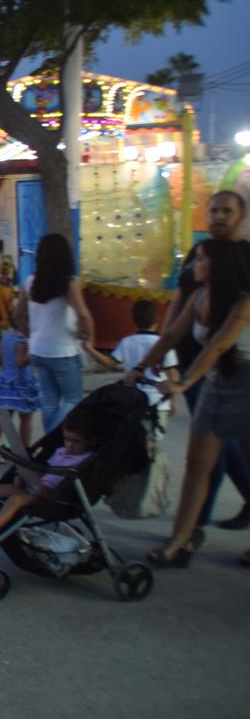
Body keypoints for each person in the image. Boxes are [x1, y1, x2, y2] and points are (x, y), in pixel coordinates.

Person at [124, 238, 250, 568]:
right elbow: (169, 337)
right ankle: (179, 540)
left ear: (219, 266)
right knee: (197, 466)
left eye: (201, 259)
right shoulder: (199, 296)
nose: (194, 266)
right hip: (216, 383)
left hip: (246, 385)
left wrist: (183, 382)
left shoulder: (244, 302)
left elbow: (219, 345)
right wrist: (140, 366)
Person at [162, 190, 250, 536]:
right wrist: (163, 345)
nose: (218, 217)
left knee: (218, 450)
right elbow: (181, 301)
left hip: (235, 370)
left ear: (241, 215)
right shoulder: (198, 255)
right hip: (196, 365)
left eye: (226, 211)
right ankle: (190, 530)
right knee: (209, 454)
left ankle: (192, 529)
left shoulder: (246, 257)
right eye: (213, 210)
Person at [0, 407, 105, 549]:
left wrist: (42, 484)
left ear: (92, 441)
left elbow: (63, 480)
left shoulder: (85, 459)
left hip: (54, 496)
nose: (69, 445)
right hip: (37, 486)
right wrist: (24, 475)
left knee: (16, 500)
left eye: (76, 442)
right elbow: (47, 470)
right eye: (67, 439)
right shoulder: (62, 451)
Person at [13, 233, 93, 434]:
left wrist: (30, 334)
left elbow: (17, 314)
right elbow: (83, 315)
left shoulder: (30, 282)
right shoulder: (68, 284)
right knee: (73, 399)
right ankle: (51, 441)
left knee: (49, 401)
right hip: (63, 351)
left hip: (37, 350)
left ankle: (49, 444)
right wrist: (86, 335)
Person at [0, 312, 39, 462]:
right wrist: (33, 353)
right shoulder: (23, 340)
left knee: (3, 419)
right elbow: (20, 362)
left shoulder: (5, 336)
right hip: (21, 384)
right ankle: (24, 452)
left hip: (5, 381)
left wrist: (6, 370)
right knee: (26, 419)